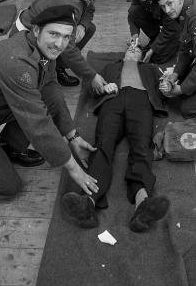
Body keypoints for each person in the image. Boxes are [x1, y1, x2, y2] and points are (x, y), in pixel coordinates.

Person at [0, 5, 116, 201]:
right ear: (36, 30)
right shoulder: (17, 62)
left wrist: (72, 137)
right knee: (8, 187)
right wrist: (73, 169)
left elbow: (51, 90)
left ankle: (9, 146)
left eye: (66, 37)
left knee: (40, 100)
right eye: (54, 34)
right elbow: (36, 122)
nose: (60, 44)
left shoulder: (40, 48)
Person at [61, 43, 170, 231]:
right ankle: (88, 203)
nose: (133, 49)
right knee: (102, 145)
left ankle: (142, 205)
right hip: (113, 99)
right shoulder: (110, 67)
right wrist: (103, 88)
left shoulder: (151, 69)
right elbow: (91, 86)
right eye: (130, 48)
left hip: (141, 101)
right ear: (124, 53)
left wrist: (167, 84)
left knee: (142, 147)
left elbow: (165, 90)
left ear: (143, 57)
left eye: (137, 50)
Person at [10, 0, 110, 89]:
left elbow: (89, 9)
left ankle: (58, 67)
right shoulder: (69, 3)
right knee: (38, 83)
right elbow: (69, 50)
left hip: (49, 25)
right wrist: (92, 76)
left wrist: (82, 25)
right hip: (27, 34)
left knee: (89, 28)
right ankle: (46, 69)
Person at [128, 0, 182, 64]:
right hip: (159, 20)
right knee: (134, 10)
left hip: (176, 26)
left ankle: (175, 44)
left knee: (158, 58)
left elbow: (171, 27)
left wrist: (153, 49)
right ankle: (155, 38)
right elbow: (132, 16)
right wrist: (134, 35)